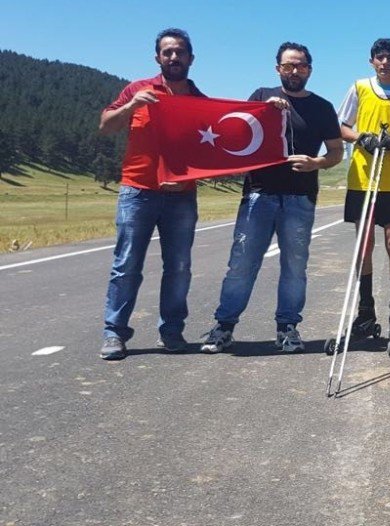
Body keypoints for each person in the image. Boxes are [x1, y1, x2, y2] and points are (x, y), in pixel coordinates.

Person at [201, 42, 343, 354]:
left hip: (300, 198)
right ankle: (224, 326)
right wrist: (265, 110)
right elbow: (236, 135)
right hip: (258, 195)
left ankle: (287, 328)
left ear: (310, 69)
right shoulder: (261, 97)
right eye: (289, 65)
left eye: (301, 65)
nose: (295, 71)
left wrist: (315, 162)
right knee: (241, 263)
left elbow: (336, 151)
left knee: (295, 266)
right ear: (277, 68)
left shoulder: (322, 107)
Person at [99, 28, 204, 360]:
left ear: (191, 58)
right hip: (137, 191)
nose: (174, 57)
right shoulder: (137, 89)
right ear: (158, 57)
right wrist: (131, 105)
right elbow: (106, 125)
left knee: (179, 267)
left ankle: (171, 332)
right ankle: (114, 334)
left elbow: (210, 154)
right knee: (127, 265)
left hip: (181, 196)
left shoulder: (201, 102)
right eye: (167, 52)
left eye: (180, 52)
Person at [337, 38, 390, 359]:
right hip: (362, 178)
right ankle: (366, 312)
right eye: (380, 57)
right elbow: (342, 126)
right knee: (364, 244)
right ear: (372, 61)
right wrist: (363, 137)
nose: (385, 62)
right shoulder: (359, 88)